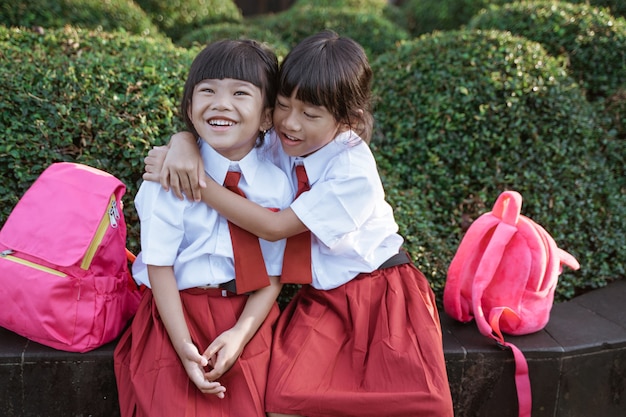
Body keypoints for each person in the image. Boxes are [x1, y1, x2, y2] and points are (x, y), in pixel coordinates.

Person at [145, 31, 454, 417]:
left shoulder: (352, 171)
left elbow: (274, 229)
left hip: (379, 293)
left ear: (348, 120)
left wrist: (198, 184)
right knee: (284, 400)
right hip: (321, 296)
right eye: (283, 105)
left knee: (408, 404)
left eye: (310, 114)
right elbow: (225, 136)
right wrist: (182, 143)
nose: (290, 123)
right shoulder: (281, 136)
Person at [114, 39, 292, 417]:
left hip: (248, 316)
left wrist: (241, 333)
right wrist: (183, 346)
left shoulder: (277, 183)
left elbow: (274, 272)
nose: (221, 103)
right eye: (207, 90)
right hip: (174, 314)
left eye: (240, 93)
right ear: (190, 110)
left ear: (266, 117)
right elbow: (160, 266)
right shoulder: (167, 178)